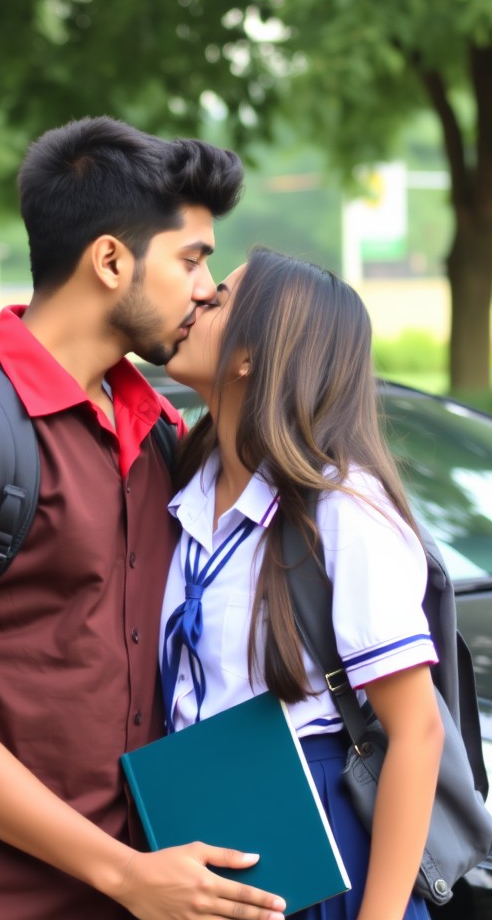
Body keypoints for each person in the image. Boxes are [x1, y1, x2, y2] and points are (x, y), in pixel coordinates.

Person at [0, 118, 287, 920]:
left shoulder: (158, 429)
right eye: (191, 258)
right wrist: (125, 874)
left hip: (140, 896)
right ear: (111, 259)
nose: (207, 286)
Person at [162, 247, 445, 920]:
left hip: (320, 855)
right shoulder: (183, 490)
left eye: (222, 297)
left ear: (252, 356)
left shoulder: (343, 509)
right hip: (207, 848)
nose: (198, 298)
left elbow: (418, 732)